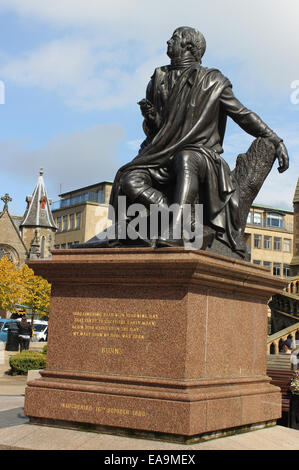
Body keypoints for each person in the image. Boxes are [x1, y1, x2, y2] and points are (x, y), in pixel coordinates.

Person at [108, 26, 289, 253]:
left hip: (201, 156)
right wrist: (152, 119)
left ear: (189, 47)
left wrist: (275, 139)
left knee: (186, 158)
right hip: (160, 155)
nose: (167, 42)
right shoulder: (158, 79)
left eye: (173, 39)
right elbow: (156, 134)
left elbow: (242, 115)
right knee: (129, 178)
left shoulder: (213, 81)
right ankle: (175, 219)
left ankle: (175, 229)